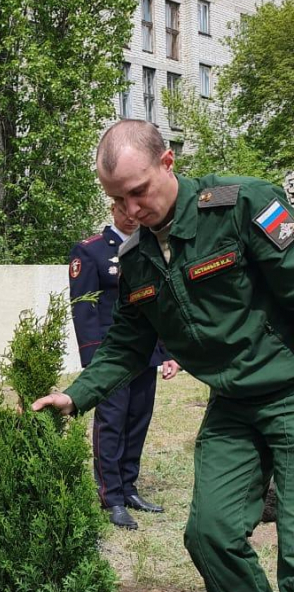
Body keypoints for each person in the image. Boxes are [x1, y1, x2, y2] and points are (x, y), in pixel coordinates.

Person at [32, 121, 294, 592]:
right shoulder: (139, 263)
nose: (130, 210)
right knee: (208, 532)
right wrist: (75, 394)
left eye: (139, 192)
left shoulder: (241, 207)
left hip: (293, 394)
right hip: (235, 408)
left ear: (168, 162)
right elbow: (123, 347)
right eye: (116, 199)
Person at [69, 201, 179, 529]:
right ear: (113, 208)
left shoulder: (150, 246)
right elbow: (83, 309)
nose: (132, 214)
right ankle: (111, 496)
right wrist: (93, 361)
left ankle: (129, 487)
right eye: (124, 208)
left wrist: (167, 351)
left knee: (137, 421)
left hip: (145, 355)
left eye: (137, 209)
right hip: (111, 357)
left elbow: (158, 302)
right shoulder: (91, 251)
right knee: (112, 424)